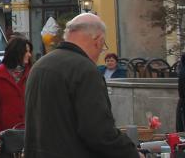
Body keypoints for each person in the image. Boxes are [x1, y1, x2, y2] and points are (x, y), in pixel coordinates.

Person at [24, 13, 139, 157]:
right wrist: (131, 153)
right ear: (98, 40)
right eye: (102, 47)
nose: (100, 54)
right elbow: (99, 132)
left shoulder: (39, 66)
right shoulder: (85, 70)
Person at [0, 37, 32, 142]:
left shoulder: (33, 74)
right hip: (7, 136)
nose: (29, 55)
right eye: (26, 51)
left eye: (30, 51)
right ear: (16, 53)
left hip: (31, 134)